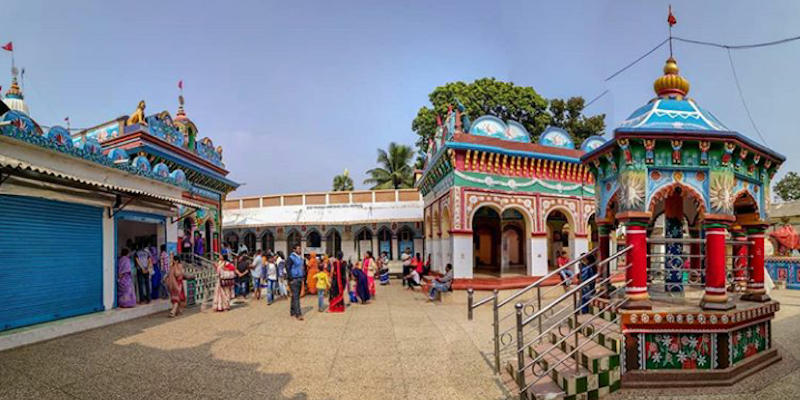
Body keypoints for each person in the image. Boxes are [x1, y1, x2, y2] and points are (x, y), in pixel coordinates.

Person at [286, 245, 306, 320]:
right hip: (294, 279)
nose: (300, 250)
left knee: (295, 296)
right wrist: (290, 278)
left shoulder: (300, 258)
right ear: (294, 250)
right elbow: (287, 268)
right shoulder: (291, 258)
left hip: (300, 278)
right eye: (298, 249)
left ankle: (292, 311)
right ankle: (298, 314)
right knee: (296, 297)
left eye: (300, 248)